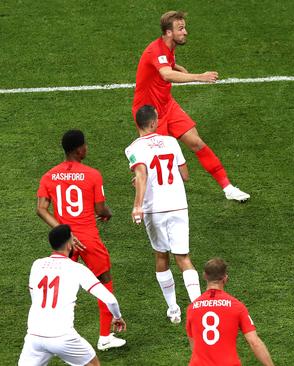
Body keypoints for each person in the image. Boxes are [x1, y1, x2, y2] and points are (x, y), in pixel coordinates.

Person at [133, 10, 249, 203]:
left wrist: (176, 66)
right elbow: (166, 75)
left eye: (184, 27)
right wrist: (198, 76)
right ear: (168, 32)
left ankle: (228, 188)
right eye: (180, 29)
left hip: (167, 105)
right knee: (160, 164)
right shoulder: (156, 50)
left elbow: (167, 65)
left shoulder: (167, 47)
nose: (185, 32)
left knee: (196, 142)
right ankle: (142, 185)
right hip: (149, 114)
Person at [36, 130, 126, 350]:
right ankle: (105, 337)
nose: (87, 147)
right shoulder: (92, 174)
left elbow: (41, 209)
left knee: (62, 285)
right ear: (78, 149)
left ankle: (53, 333)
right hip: (88, 238)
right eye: (85, 145)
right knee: (104, 281)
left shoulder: (49, 176)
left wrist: (64, 232)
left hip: (66, 242)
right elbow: (100, 208)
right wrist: (108, 213)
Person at [125, 105, 202, 324]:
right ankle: (197, 308)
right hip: (178, 205)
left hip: (154, 208)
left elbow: (142, 174)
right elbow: (185, 175)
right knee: (184, 257)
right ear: (153, 123)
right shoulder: (171, 142)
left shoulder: (132, 149)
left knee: (161, 256)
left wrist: (137, 204)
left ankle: (173, 309)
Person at [18, 225, 126, 366]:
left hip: (34, 336)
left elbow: (35, 294)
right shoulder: (77, 269)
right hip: (63, 337)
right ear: (69, 245)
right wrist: (117, 317)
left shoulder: (36, 264)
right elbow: (110, 300)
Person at [186, 258, 274, 366]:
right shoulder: (236, 306)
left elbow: (193, 344)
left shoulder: (192, 308)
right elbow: (254, 342)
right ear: (225, 278)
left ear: (204, 276)